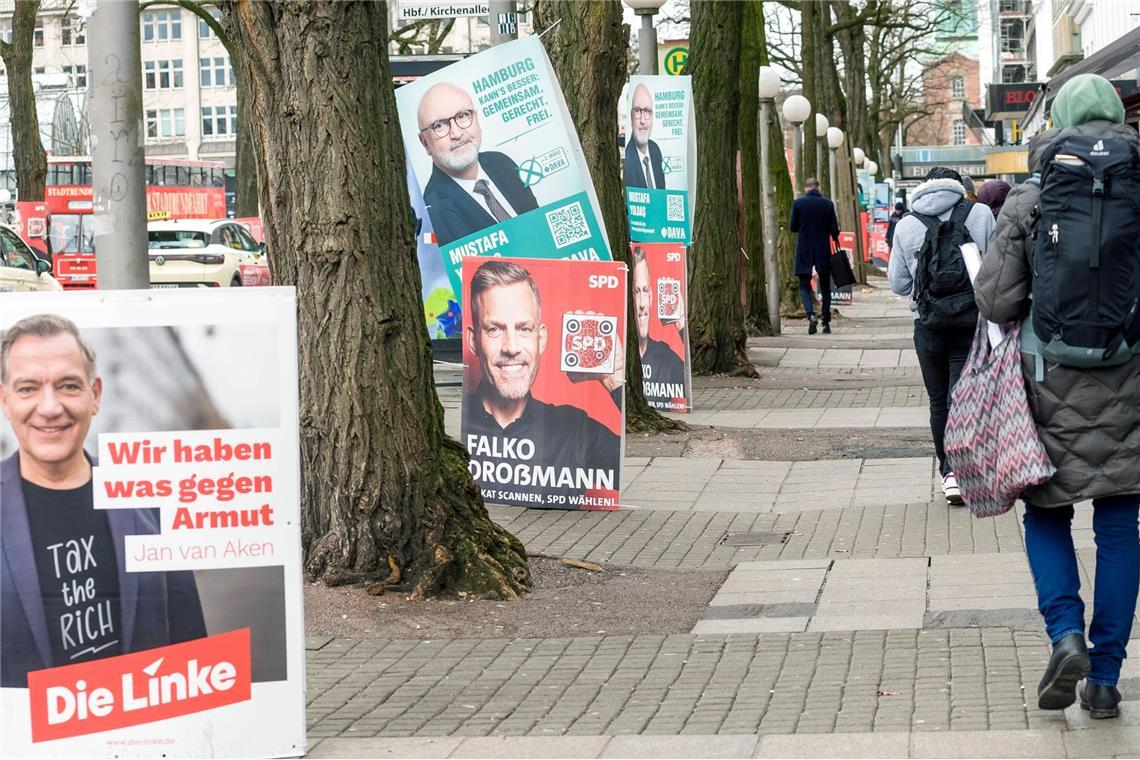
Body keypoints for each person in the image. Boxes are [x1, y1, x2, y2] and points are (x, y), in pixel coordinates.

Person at [975, 74, 1140, 720]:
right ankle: (1104, 678)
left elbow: (995, 299)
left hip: (1048, 384)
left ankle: (1064, 634)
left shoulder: (1030, 197)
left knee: (1046, 512)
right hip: (1129, 380)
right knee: (1121, 527)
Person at [0, 314, 206, 688]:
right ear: (5, 400)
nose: (49, 408)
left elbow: (190, 642)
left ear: (94, 395)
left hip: (141, 737)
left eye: (68, 386)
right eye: (28, 388)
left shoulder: (147, 500)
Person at [463, 260, 622, 505]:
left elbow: (642, 474)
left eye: (524, 329)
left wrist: (615, 379)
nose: (511, 347)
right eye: (494, 329)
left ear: (541, 339)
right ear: (474, 341)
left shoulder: (575, 429)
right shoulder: (446, 434)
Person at [887, 166, 994, 505]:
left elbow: (898, 283)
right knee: (961, 399)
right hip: (970, 323)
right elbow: (994, 268)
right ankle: (966, 471)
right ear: (959, 185)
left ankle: (949, 473)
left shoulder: (907, 224)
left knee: (938, 402)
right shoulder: (980, 213)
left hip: (928, 325)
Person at [417, 82, 539, 246]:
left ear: (476, 119)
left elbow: (539, 226)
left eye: (462, 116)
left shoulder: (503, 163)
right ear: (425, 143)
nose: (457, 133)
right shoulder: (431, 215)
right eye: (438, 126)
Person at [631, 246, 688, 410]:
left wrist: (681, 324)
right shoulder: (616, 357)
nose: (641, 304)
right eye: (636, 292)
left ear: (651, 297)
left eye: (644, 291)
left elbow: (688, 384)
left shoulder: (665, 356)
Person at [789, 178, 840, 334]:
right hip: (822, 249)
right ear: (818, 188)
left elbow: (793, 227)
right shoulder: (827, 204)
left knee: (804, 285)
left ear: (806, 188)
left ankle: (811, 316)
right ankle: (826, 322)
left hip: (804, 248)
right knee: (825, 287)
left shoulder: (798, 204)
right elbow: (834, 230)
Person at [624, 84, 666, 190]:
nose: (643, 120)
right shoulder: (626, 156)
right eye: (637, 111)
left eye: (647, 111)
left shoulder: (655, 149)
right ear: (631, 117)